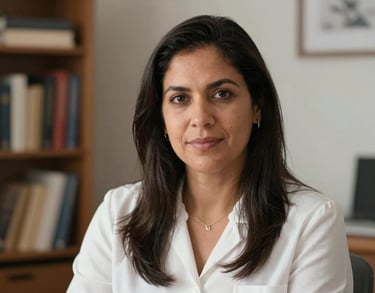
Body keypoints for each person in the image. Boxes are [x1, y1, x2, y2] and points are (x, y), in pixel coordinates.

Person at [67, 15, 353, 292]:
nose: (201, 118)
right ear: (162, 119)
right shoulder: (118, 213)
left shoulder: (312, 220)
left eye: (222, 94)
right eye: (180, 99)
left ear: (257, 107)